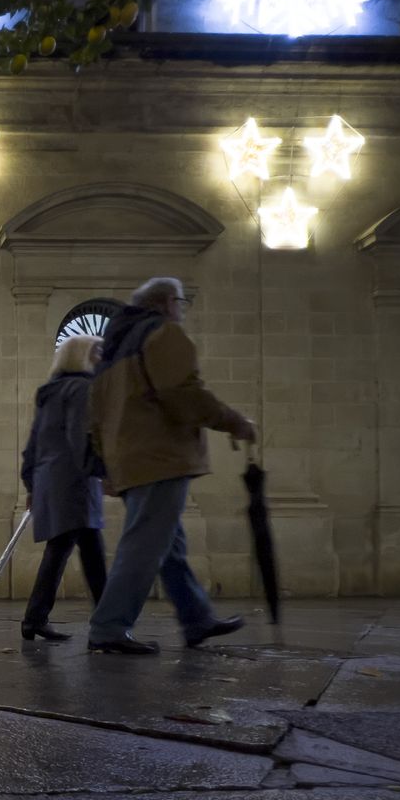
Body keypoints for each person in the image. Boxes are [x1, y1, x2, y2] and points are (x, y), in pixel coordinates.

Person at [87, 277, 257, 654]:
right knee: (144, 545)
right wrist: (234, 421)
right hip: (159, 458)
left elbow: (95, 419)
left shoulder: (112, 350)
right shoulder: (163, 334)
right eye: (181, 302)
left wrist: (108, 467)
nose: (181, 310)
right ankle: (109, 627)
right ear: (167, 303)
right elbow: (183, 393)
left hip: (130, 461)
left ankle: (196, 619)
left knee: (168, 546)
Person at [19, 334, 108, 642]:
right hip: (74, 482)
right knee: (89, 552)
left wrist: (31, 483)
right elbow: (80, 439)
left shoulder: (48, 393)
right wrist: (103, 471)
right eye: (97, 352)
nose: (101, 358)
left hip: (50, 481)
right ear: (84, 356)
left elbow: (32, 446)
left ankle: (35, 619)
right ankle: (109, 624)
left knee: (64, 551)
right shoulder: (82, 389)